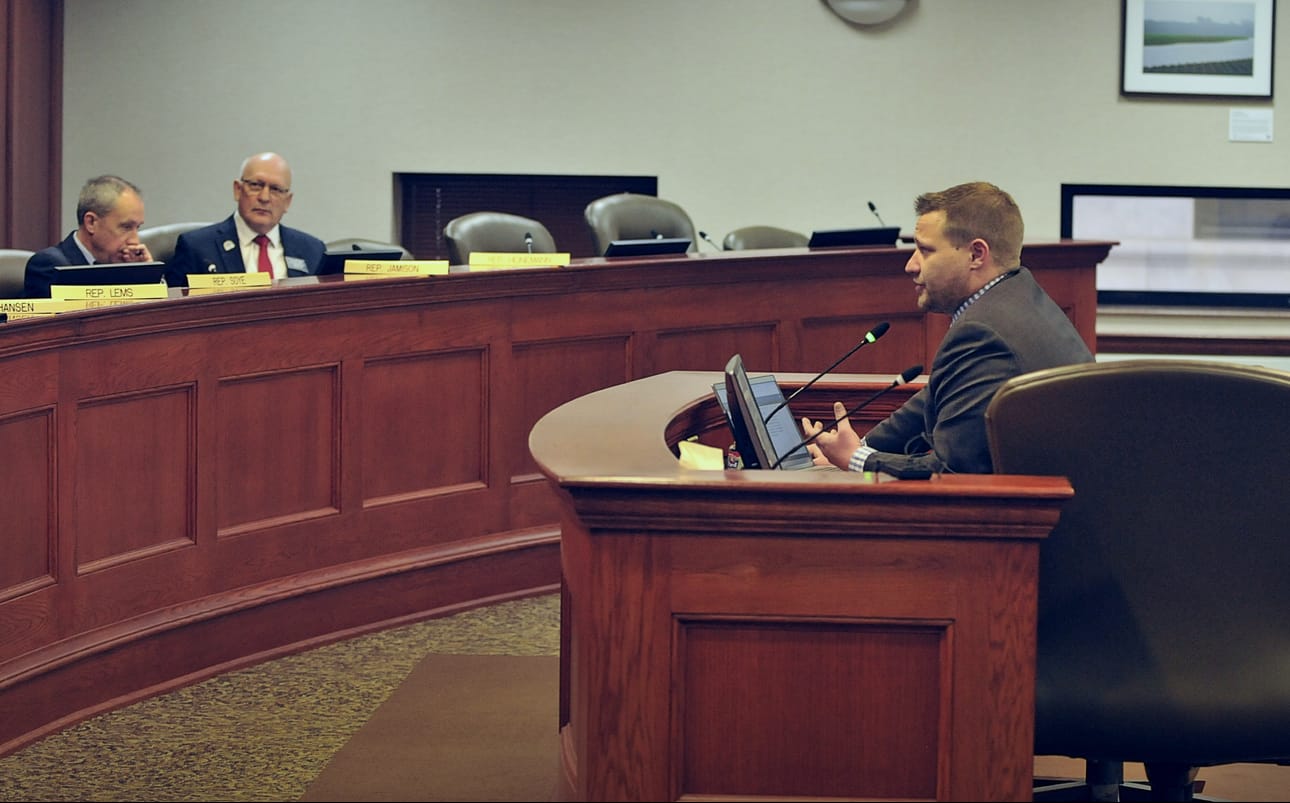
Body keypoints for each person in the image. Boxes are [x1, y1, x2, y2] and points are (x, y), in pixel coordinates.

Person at [803, 181, 1094, 477]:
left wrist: (858, 459)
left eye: (925, 251)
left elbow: (950, 471)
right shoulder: (1018, 294)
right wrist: (857, 447)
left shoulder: (983, 333)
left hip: (1030, 517)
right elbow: (934, 397)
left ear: (976, 255)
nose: (911, 265)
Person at [163, 152, 325, 288]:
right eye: (256, 185)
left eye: (275, 189)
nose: (264, 197)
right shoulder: (197, 248)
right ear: (238, 190)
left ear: (287, 201)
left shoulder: (312, 250)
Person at [24, 175, 155, 298]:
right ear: (91, 222)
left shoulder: (123, 265)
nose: (135, 240)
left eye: (137, 228)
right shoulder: (51, 267)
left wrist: (147, 275)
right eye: (126, 227)